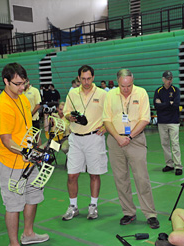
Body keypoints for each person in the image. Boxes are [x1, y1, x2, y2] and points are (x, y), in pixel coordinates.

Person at [0, 63, 49, 246]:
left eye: (24, 83)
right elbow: (7, 141)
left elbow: (27, 126)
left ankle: (28, 234)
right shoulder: (0, 106)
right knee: (14, 203)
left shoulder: (22, 99)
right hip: (9, 162)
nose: (22, 87)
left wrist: (37, 146)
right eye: (17, 84)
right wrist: (25, 151)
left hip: (28, 159)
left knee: (33, 194)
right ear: (6, 81)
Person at [103, 69, 160, 229]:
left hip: (135, 140)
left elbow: (145, 119)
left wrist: (129, 137)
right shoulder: (110, 95)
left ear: (132, 81)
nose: (126, 89)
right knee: (121, 179)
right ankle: (128, 212)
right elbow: (106, 120)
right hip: (115, 141)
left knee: (142, 178)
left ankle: (150, 213)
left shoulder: (141, 93)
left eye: (129, 85)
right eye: (122, 86)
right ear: (117, 83)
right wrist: (118, 137)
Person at [62, 65, 107, 221]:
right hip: (75, 138)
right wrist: (70, 117)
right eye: (83, 79)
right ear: (79, 78)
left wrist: (106, 126)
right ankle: (73, 207)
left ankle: (93, 206)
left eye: (89, 78)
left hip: (94, 138)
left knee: (94, 174)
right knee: (72, 175)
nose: (86, 82)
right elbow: (66, 112)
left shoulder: (102, 94)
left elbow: (110, 113)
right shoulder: (72, 93)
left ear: (93, 78)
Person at [154, 70, 183, 176]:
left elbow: (176, 105)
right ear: (163, 79)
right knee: (164, 144)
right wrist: (168, 104)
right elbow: (156, 106)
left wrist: (163, 104)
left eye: (170, 79)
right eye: (167, 79)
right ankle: (169, 164)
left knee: (175, 143)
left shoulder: (176, 90)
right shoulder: (158, 91)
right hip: (162, 121)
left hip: (173, 121)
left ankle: (178, 165)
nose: (169, 81)